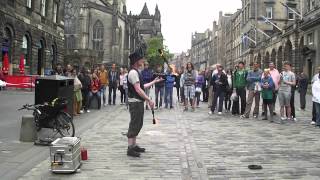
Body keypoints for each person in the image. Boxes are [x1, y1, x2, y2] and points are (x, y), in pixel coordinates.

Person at [126, 48, 163, 157]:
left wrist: (154, 81)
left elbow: (142, 86)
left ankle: (134, 145)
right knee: (134, 124)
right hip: (135, 102)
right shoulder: (133, 73)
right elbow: (138, 89)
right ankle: (130, 148)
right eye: (141, 59)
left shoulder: (137, 72)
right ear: (136, 61)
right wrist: (149, 99)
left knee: (138, 123)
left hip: (138, 102)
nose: (143, 61)